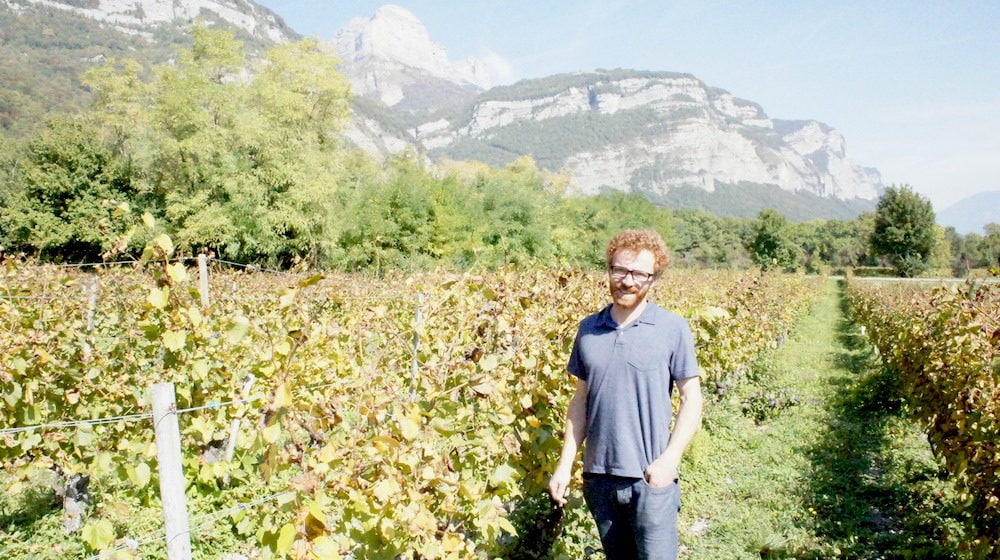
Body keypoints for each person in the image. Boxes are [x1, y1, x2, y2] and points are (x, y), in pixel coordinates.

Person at [548, 228, 703, 559]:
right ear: (609, 270)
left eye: (639, 274)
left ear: (653, 280)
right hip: (599, 480)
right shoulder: (589, 329)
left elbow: (692, 398)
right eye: (620, 270)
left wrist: (669, 461)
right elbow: (580, 401)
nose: (628, 281)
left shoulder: (672, 328)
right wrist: (565, 465)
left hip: (650, 478)